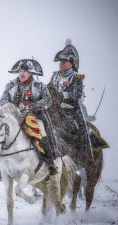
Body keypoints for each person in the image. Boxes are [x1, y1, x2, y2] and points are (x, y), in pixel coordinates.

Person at [0, 58, 58, 175]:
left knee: (42, 133)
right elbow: (3, 100)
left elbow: (47, 101)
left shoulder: (39, 85)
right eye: (21, 70)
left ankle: (50, 162)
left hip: (33, 117)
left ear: (30, 73)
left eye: (25, 71)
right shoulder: (10, 85)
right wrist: (11, 107)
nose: (22, 73)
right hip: (13, 118)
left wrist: (30, 106)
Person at [47, 39, 88, 168]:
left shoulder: (76, 78)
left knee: (79, 129)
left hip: (70, 109)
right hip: (54, 107)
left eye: (64, 62)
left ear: (71, 63)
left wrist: (62, 96)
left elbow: (76, 94)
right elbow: (49, 88)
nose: (61, 64)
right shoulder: (54, 76)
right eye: (60, 62)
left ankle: (80, 154)